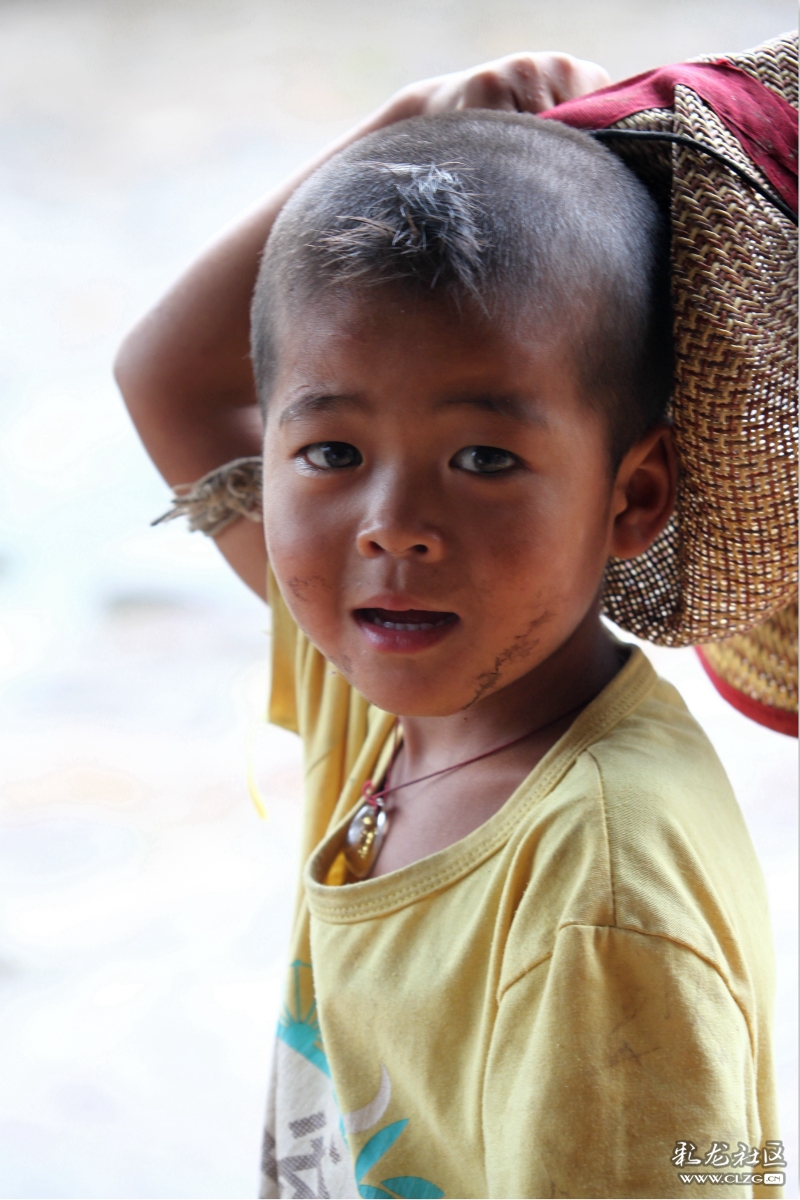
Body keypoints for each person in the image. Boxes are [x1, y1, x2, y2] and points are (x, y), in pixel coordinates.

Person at [116, 42, 795, 1200]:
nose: (391, 528)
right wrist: (404, 126)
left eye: (483, 459)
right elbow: (165, 379)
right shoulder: (379, 674)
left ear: (633, 496)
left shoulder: (601, 903)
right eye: (332, 452)